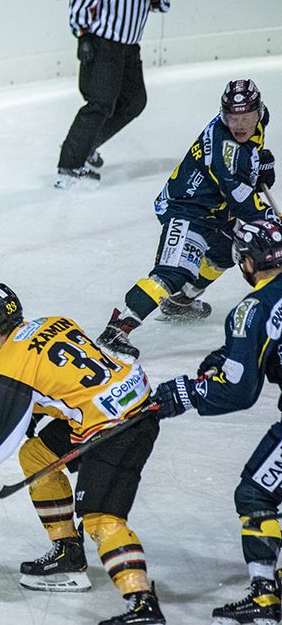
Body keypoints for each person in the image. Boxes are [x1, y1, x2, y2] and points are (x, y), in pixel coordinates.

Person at [0, 283, 164, 624]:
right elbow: (66, 379)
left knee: (102, 518)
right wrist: (33, 412)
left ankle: (142, 604)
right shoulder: (55, 321)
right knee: (36, 454)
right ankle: (68, 552)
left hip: (114, 430)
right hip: (134, 402)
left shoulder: (8, 365)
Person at [151, 218, 282, 625]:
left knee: (255, 495)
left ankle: (265, 599)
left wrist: (185, 394)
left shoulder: (252, 308)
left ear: (248, 262)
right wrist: (230, 353)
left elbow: (237, 392)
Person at [96, 80, 275, 361]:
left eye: (246, 117)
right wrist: (271, 221)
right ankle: (116, 330)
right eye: (233, 118)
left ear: (259, 112)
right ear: (224, 116)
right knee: (173, 272)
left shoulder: (257, 123)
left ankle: (181, 300)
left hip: (217, 210)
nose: (240, 125)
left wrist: (258, 162)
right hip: (186, 208)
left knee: (227, 252)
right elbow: (243, 203)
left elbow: (247, 159)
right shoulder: (226, 151)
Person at [55, 0, 171, 188]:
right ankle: (70, 165)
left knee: (134, 101)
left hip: (130, 47)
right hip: (103, 44)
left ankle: (86, 145)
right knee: (100, 103)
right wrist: (83, 36)